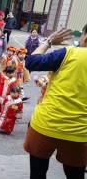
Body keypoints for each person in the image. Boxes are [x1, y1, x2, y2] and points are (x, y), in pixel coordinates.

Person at [23, 26, 87, 179]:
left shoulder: (70, 53)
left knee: (37, 173)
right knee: (75, 174)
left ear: (85, 37)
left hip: (46, 125)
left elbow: (32, 62)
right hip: (79, 132)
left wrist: (49, 41)